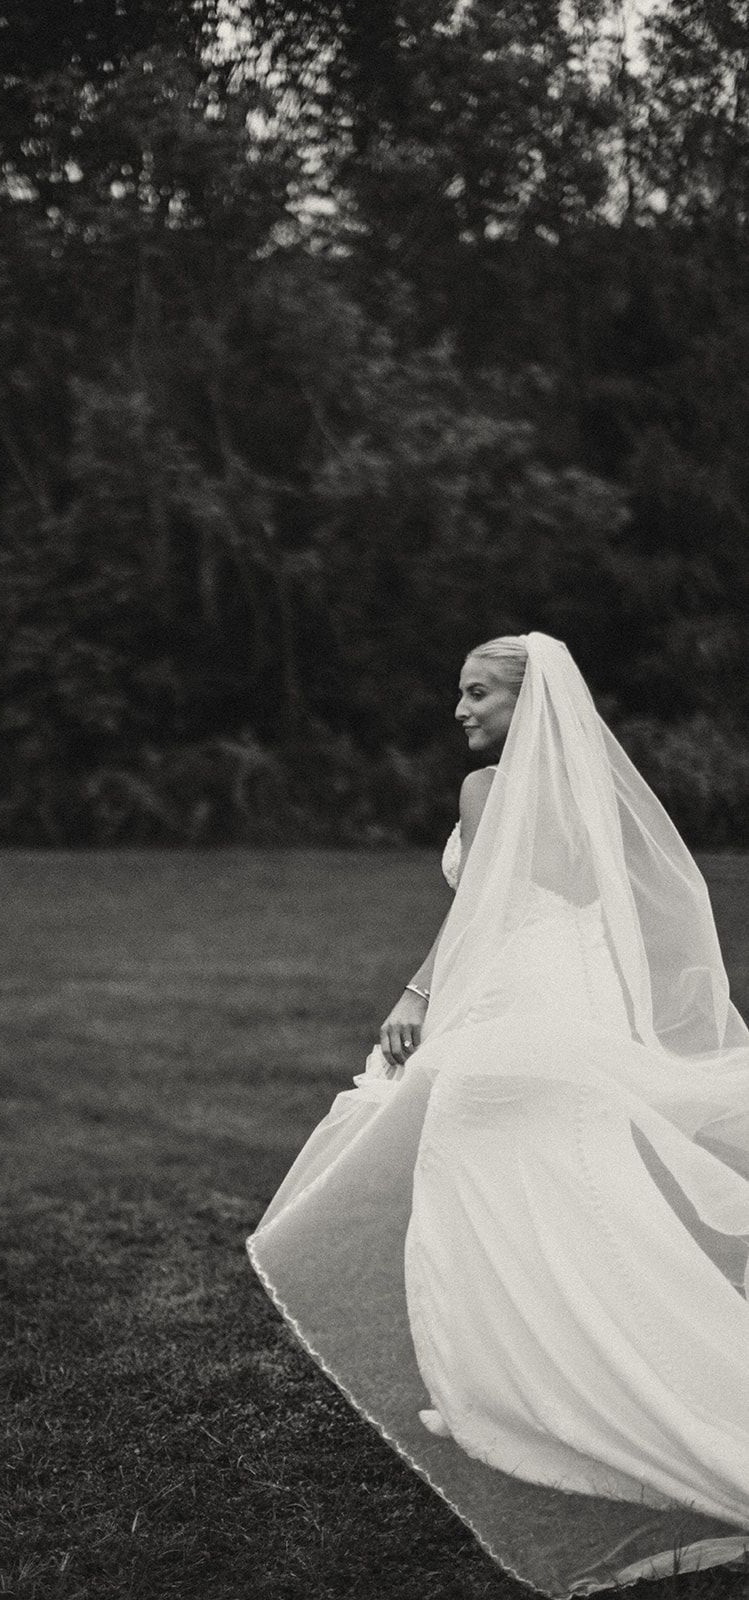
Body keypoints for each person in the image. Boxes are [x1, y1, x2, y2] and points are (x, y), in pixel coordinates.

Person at [248, 633, 749, 1596]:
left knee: (469, 1184)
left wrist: (415, 997)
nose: (459, 711)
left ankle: (506, 1395)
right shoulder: (593, 798)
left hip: (508, 1005)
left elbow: (475, 914)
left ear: (530, 701)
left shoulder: (487, 795)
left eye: (477, 693)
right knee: (590, 1202)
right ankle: (568, 1382)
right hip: (577, 1010)